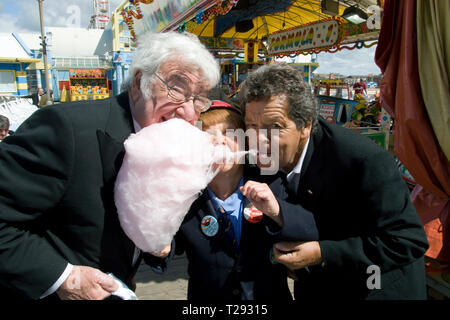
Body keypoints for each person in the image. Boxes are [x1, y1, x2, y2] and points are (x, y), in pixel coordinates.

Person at [0, 31, 220, 300]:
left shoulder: (171, 145)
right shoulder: (66, 129)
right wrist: (63, 278)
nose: (188, 113)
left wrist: (160, 246)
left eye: (198, 99)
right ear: (140, 82)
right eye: (177, 88)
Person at [238, 64, 429, 300]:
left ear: (306, 125)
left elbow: (407, 242)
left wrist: (321, 253)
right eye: (252, 125)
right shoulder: (261, 157)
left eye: (275, 127)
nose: (259, 139)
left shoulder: (362, 161)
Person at [172, 100, 317, 301]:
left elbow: (310, 228)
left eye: (230, 134)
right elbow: (167, 248)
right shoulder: (184, 195)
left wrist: (277, 211)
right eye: (207, 136)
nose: (220, 142)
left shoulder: (272, 183)